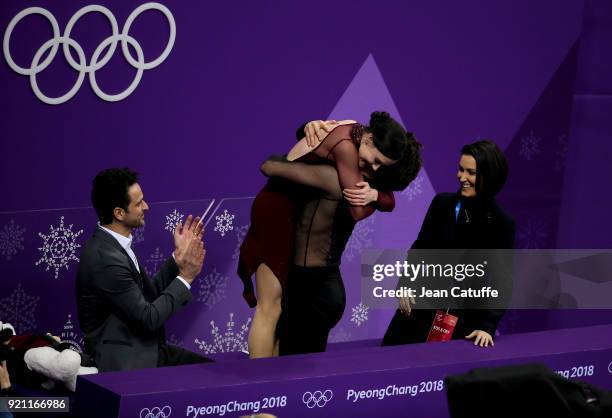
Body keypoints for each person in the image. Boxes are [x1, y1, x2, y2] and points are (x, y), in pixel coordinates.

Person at [248, 112, 422, 356]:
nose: (373, 167)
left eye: (380, 167)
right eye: (376, 160)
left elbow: (269, 165)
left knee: (271, 313)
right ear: (369, 139)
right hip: (314, 276)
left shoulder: (338, 172)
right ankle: (266, 389)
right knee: (275, 318)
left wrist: (376, 195)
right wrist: (379, 196)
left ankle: (263, 390)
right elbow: (371, 205)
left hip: (313, 292)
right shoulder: (346, 153)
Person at [382, 140, 514, 348]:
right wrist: (405, 284)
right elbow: (419, 249)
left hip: (462, 322)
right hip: (417, 310)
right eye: (461, 170)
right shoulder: (441, 204)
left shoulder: (502, 223)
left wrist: (487, 325)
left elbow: (502, 281)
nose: (462, 177)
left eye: (471, 172)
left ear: (489, 176)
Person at [76, 168, 211, 371]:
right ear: (119, 213)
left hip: (146, 350)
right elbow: (149, 318)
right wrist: (186, 277)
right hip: (126, 363)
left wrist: (177, 258)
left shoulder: (116, 245)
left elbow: (149, 296)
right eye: (139, 203)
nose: (146, 207)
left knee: (211, 371)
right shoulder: (105, 260)